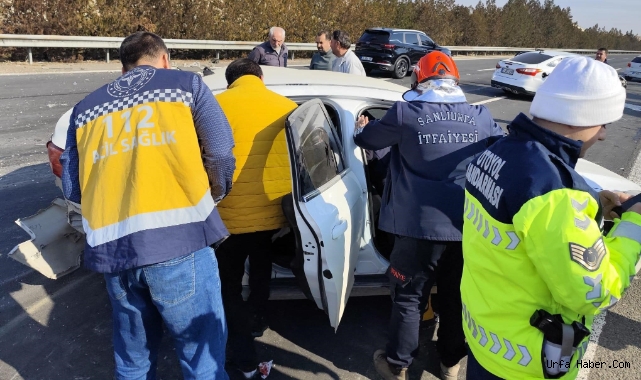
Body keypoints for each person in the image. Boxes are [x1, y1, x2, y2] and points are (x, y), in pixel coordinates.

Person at [60, 31, 235, 380]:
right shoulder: (186, 86)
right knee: (202, 361)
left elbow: (72, 187)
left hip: (116, 253)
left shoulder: (85, 109)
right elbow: (219, 152)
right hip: (180, 243)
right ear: (165, 59)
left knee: (132, 363)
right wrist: (215, 193)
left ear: (123, 67)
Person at [461, 56, 640, 380]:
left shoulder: (495, 152)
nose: (601, 136)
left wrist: (592, 209)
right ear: (584, 116)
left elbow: (518, 232)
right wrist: (633, 224)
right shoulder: (557, 196)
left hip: (484, 341)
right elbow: (595, 291)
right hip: (526, 364)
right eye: (604, 124)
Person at [353, 51, 505, 380]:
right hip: (466, 230)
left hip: (416, 231)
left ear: (418, 80)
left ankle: (398, 366)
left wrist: (367, 128)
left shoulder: (407, 113)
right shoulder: (479, 115)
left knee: (409, 300)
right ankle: (451, 364)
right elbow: (500, 152)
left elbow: (365, 139)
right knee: (456, 298)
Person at [214, 58, 297, 379]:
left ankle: (241, 348)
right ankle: (258, 317)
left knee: (229, 286)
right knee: (262, 267)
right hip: (273, 214)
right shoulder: (287, 106)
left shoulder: (215, 106)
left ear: (230, 81)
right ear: (260, 77)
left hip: (228, 219)